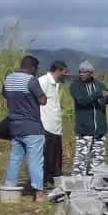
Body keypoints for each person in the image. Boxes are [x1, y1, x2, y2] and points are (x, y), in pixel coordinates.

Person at [2, 55, 48, 201]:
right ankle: (39, 193)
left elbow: (5, 95)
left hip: (15, 126)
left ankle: (9, 190)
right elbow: (43, 100)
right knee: (35, 160)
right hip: (32, 127)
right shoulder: (31, 80)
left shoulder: (9, 79)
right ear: (33, 68)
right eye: (36, 69)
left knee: (15, 158)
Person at [69, 60, 108, 175]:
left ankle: (94, 187)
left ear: (91, 73)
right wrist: (99, 94)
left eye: (85, 72)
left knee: (98, 164)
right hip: (84, 131)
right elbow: (82, 101)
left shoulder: (99, 85)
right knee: (81, 162)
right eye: (80, 72)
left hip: (99, 132)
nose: (81, 74)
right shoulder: (75, 86)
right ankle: (77, 186)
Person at [38, 60, 67, 188]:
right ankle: (44, 181)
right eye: (64, 72)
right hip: (45, 125)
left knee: (55, 157)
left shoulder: (56, 84)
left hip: (55, 127)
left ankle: (52, 180)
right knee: (47, 156)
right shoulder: (43, 81)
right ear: (58, 70)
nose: (66, 75)